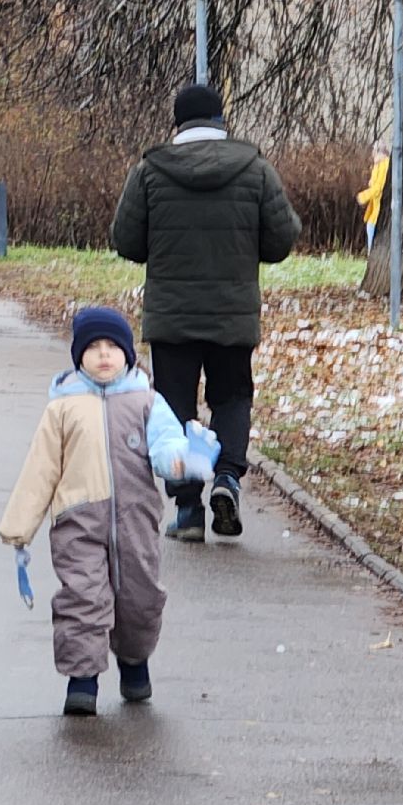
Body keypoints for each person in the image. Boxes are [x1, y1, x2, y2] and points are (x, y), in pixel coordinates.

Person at [0, 307, 218, 716]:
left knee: (140, 597)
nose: (103, 355)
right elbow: (40, 469)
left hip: (135, 520)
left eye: (113, 347)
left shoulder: (146, 401)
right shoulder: (62, 409)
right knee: (82, 597)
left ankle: (134, 662)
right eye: (93, 348)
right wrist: (19, 528)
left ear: (128, 354)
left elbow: (166, 446)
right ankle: (82, 680)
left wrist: (186, 460)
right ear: (78, 355)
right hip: (77, 522)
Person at [110, 84, 300, 543]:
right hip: (232, 314)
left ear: (177, 123)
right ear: (220, 120)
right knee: (231, 397)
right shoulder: (255, 170)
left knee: (174, 407)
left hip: (172, 317)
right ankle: (228, 478)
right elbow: (281, 241)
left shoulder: (150, 172)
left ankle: (189, 508)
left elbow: (126, 241)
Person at [356, 140, 390, 251]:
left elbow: (379, 187)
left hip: (381, 206)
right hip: (376, 205)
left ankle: (372, 256)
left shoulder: (384, 165)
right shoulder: (378, 164)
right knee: (370, 227)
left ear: (378, 151)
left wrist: (363, 196)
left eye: (374, 150)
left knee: (372, 228)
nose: (372, 153)